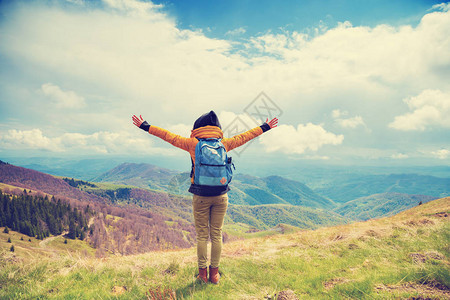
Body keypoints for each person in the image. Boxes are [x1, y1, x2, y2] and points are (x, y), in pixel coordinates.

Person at [132, 111, 278, 284]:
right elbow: (245, 137)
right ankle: (214, 275)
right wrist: (265, 127)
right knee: (216, 234)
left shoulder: (192, 144)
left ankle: (202, 275)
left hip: (200, 195)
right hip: (221, 195)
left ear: (197, 128)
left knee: (202, 236)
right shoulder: (224, 144)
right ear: (217, 129)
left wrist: (145, 126)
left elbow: (167, 136)